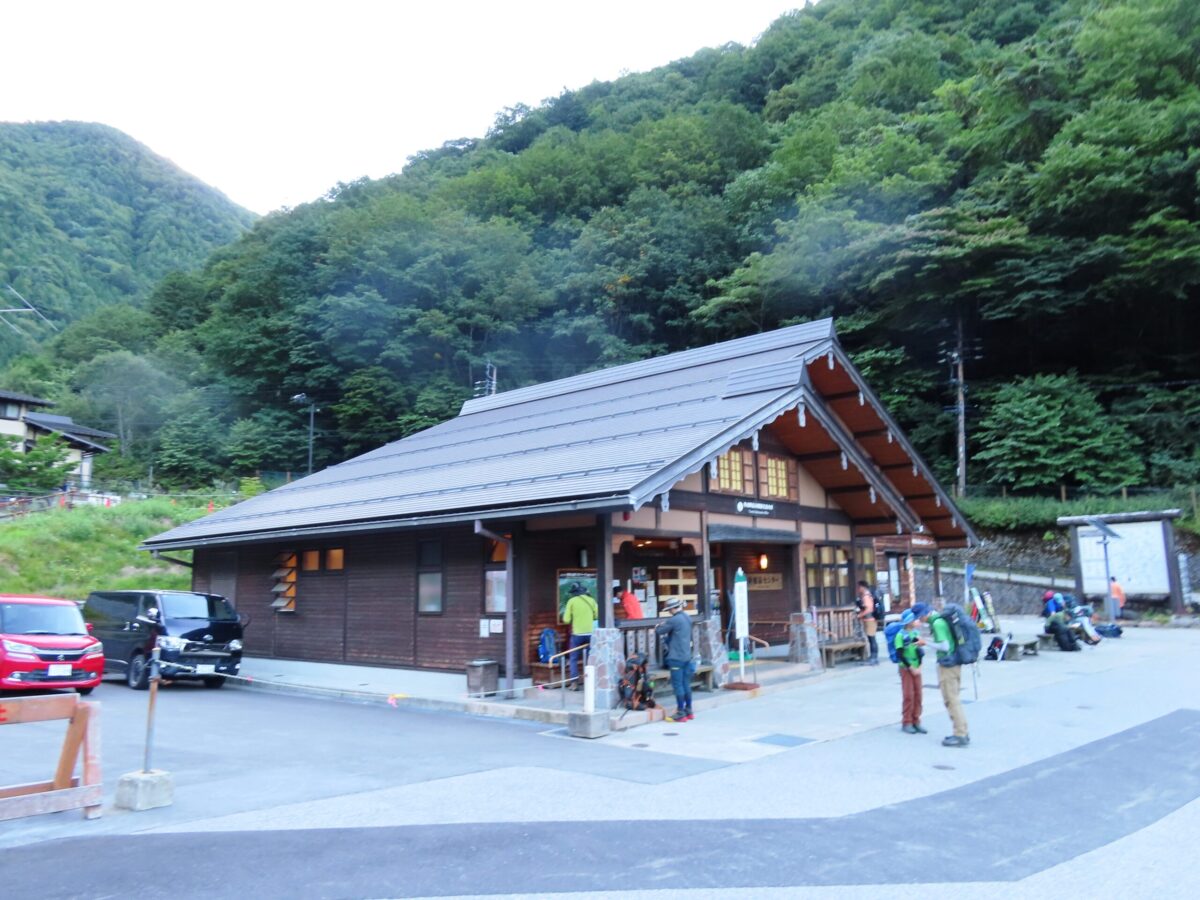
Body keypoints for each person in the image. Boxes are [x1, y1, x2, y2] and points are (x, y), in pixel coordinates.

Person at [914, 601, 970, 747]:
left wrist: (925, 643)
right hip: (955, 662)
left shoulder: (938, 624)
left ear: (924, 614)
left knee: (951, 699)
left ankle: (960, 734)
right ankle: (962, 730)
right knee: (953, 698)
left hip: (948, 664)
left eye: (919, 617)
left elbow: (944, 646)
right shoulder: (941, 620)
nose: (919, 620)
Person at [654, 596, 694, 722]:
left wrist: (657, 626)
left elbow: (660, 631)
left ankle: (680, 712)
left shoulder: (674, 620)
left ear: (671, 609)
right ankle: (689, 710)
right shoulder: (687, 617)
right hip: (687, 655)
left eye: (669, 609)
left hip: (676, 657)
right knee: (686, 683)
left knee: (678, 685)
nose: (669, 612)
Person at [894, 609, 926, 734]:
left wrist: (919, 667)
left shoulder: (915, 633)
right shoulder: (900, 636)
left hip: (917, 667)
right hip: (906, 667)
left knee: (918, 694)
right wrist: (911, 667)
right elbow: (900, 654)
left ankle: (916, 720)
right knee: (908, 695)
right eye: (914, 620)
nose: (916, 621)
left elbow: (920, 652)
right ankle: (906, 721)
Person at [562, 582, 598, 688]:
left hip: (577, 634)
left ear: (574, 593)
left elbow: (566, 619)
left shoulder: (571, 601)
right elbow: (596, 616)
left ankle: (574, 683)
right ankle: (590, 681)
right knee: (589, 657)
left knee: (573, 658)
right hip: (590, 633)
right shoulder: (591, 600)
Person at [856, 581, 880, 665]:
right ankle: (873, 656)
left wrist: (860, 615)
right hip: (869, 620)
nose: (858, 589)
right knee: (871, 638)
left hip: (870, 620)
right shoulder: (867, 595)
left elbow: (869, 609)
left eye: (859, 587)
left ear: (863, 587)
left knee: (872, 638)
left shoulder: (866, 596)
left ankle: (874, 657)